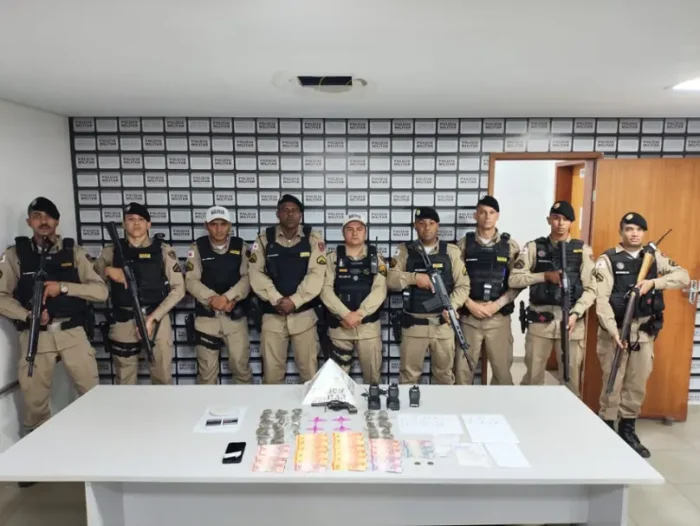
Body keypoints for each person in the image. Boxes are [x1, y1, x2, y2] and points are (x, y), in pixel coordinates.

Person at [0, 198, 107, 439]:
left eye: (48, 216)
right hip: (35, 337)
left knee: (92, 394)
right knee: (35, 403)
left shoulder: (73, 252)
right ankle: (39, 452)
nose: (43, 221)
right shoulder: (15, 255)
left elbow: (101, 291)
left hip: (72, 333)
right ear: (29, 221)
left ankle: (98, 442)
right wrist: (28, 315)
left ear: (57, 221)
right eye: (37, 216)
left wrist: (64, 287)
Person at [595, 212, 689, 457]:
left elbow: (683, 276)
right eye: (629, 229)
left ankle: (627, 428)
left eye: (638, 229)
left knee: (637, 383)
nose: (634, 233)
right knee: (612, 381)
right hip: (615, 330)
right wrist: (613, 332)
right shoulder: (607, 260)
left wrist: (653, 283)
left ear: (644, 233)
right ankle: (607, 426)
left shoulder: (654, 257)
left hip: (643, 333)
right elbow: (601, 301)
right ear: (621, 232)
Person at [508, 201, 596, 396]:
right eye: (556, 218)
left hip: (571, 323)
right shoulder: (533, 247)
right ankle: (531, 412)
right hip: (541, 322)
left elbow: (591, 289)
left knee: (571, 381)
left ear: (571, 222)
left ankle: (567, 415)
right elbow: (514, 279)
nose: (560, 223)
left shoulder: (583, 250)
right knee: (533, 379)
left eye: (565, 219)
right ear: (549, 220)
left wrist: (576, 313)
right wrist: (544, 276)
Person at [94, 202, 184, 385]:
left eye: (141, 219)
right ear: (123, 224)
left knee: (162, 378)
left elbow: (179, 289)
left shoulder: (163, 250)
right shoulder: (111, 251)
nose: (136, 223)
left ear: (149, 224)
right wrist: (107, 271)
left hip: (156, 319)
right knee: (125, 380)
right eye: (131, 219)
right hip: (124, 319)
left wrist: (153, 318)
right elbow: (93, 283)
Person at [248, 194, 325, 384]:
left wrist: (294, 301)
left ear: (301, 214)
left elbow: (316, 275)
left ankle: (310, 406)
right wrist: (277, 299)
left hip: (304, 317)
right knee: (272, 375)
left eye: (294, 211)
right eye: (285, 210)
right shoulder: (264, 239)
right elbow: (256, 273)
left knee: (309, 374)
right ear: (278, 214)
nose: (290, 214)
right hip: (272, 316)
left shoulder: (313, 238)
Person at [387, 207, 469, 385]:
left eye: (431, 223)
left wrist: (452, 306)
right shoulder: (404, 250)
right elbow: (391, 280)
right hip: (413, 325)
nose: (427, 227)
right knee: (408, 378)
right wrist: (415, 278)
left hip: (443, 325)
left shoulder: (451, 251)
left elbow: (463, 286)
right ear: (415, 226)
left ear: (437, 225)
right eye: (422, 223)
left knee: (444, 378)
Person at [455, 195, 521, 385]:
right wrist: (470, 304)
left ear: (497, 215)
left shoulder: (510, 246)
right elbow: (454, 281)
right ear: (475, 215)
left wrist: (496, 305)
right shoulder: (463, 245)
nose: (487, 216)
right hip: (469, 319)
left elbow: (517, 283)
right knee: (462, 374)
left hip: (498, 319)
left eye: (491, 212)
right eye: (482, 212)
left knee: (503, 375)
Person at [184, 206, 252, 384]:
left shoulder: (241, 246)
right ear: (206, 226)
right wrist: (213, 299)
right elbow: (191, 280)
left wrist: (228, 297)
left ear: (230, 226)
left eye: (223, 224)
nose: (219, 229)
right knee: (206, 375)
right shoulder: (197, 248)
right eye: (214, 224)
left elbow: (248, 278)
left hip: (234, 318)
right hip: (207, 319)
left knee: (241, 370)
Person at [320, 213, 387, 384]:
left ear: (365, 232)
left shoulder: (376, 257)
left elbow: (380, 289)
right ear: (343, 233)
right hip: (340, 328)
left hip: (368, 329)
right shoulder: (332, 258)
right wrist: (345, 314)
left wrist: (359, 314)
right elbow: (325, 290)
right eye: (349, 229)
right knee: (337, 383)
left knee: (373, 380)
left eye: (359, 229)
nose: (355, 233)